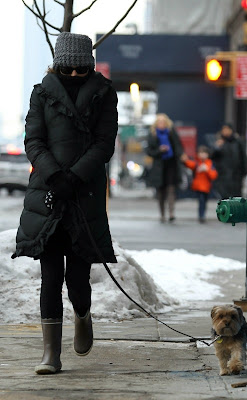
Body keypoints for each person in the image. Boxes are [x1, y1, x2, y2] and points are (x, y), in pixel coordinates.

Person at [12, 32, 118, 374]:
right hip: (48, 193)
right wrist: (54, 175)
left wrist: (75, 177)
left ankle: (83, 314)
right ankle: (50, 355)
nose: (74, 75)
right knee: (50, 275)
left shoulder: (104, 93)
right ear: (58, 66)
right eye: (68, 69)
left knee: (77, 277)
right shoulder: (42, 93)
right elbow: (33, 139)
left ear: (89, 66)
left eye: (81, 70)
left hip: (83, 194)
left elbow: (104, 144)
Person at [146, 113, 184, 222]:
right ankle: (162, 214)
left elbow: (178, 146)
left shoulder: (171, 132)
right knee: (161, 191)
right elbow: (149, 151)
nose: (161, 124)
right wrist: (159, 150)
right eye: (159, 121)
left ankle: (171, 213)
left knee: (171, 189)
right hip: (159, 166)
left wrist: (180, 156)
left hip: (171, 164)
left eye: (163, 121)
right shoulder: (152, 135)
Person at [181, 146, 218, 223]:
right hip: (198, 186)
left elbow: (214, 175)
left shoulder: (209, 163)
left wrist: (207, 170)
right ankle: (201, 216)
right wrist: (185, 160)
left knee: (204, 202)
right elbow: (190, 164)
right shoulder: (197, 163)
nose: (202, 155)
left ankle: (202, 214)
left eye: (204, 153)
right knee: (201, 201)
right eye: (200, 153)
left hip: (206, 187)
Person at [211, 123, 247, 199]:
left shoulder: (238, 142)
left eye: (227, 129)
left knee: (236, 197)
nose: (225, 131)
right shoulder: (220, 142)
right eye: (224, 130)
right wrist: (217, 147)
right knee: (224, 196)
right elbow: (213, 157)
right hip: (223, 175)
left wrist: (244, 171)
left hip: (236, 175)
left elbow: (243, 157)